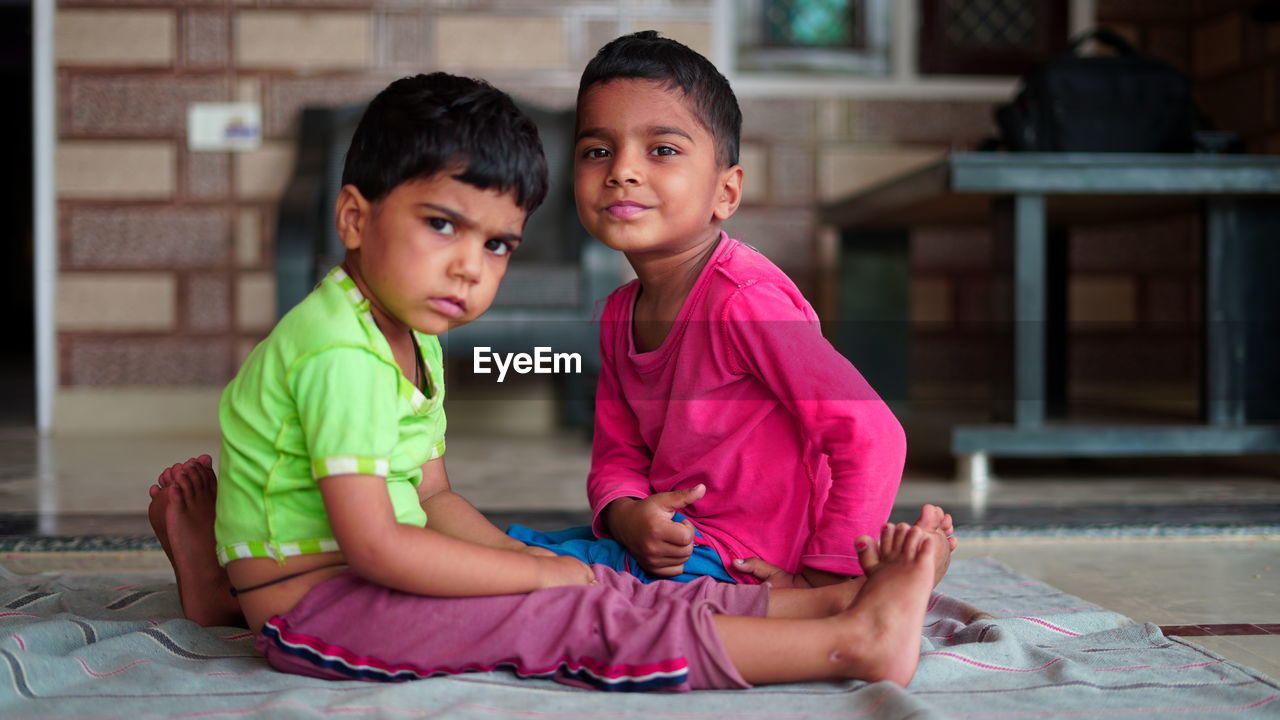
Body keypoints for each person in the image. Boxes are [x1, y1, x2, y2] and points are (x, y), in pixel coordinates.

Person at [147, 71, 949, 691]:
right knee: (570, 612)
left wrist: (556, 569)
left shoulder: (405, 335)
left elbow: (431, 500)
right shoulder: (340, 355)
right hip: (324, 605)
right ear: (354, 217)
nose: (469, 264)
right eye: (442, 224)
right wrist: (544, 576)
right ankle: (850, 639)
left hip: (331, 577)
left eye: (497, 245)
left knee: (581, 576)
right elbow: (381, 543)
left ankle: (830, 601)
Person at [509, 31, 954, 589]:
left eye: (662, 149)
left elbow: (871, 433)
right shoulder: (619, 315)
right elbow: (618, 453)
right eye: (597, 150)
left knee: (544, 586)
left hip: (746, 561)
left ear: (726, 192)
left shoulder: (746, 302)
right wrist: (628, 515)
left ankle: (862, 599)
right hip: (678, 545)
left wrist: (824, 578)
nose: (622, 170)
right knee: (510, 551)